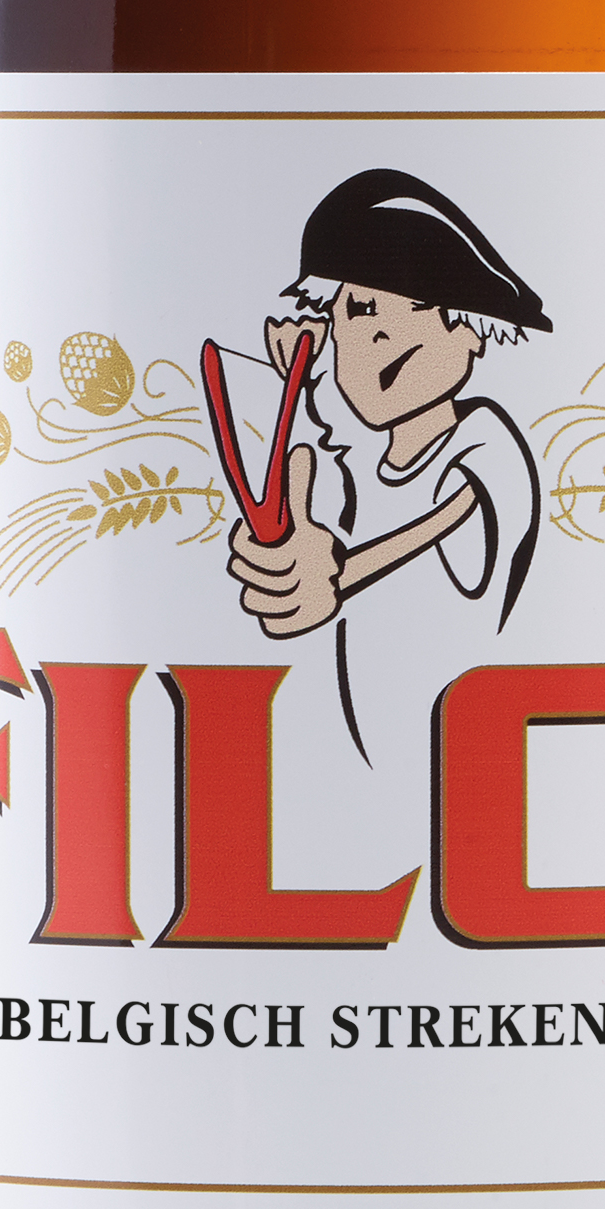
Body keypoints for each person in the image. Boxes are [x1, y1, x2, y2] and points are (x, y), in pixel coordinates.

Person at [225, 166, 550, 770]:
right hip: (369, 774)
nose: (376, 335)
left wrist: (334, 579)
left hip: (472, 780)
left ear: (473, 332)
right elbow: (332, 437)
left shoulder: (483, 445)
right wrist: (298, 382)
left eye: (415, 304)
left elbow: (446, 518)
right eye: (357, 310)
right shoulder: (371, 451)